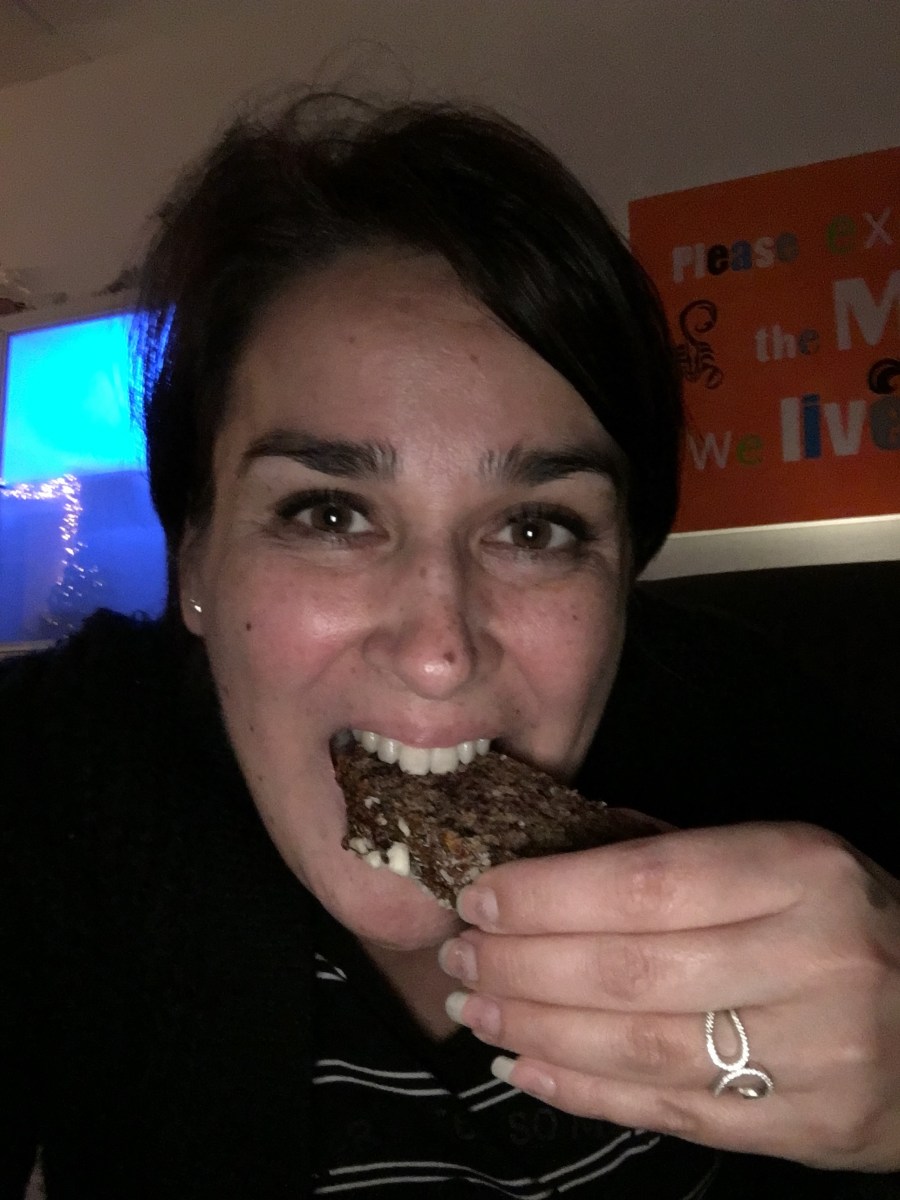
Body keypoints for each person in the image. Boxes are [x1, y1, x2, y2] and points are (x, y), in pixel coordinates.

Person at [1, 93, 898, 1200]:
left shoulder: (774, 752)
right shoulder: (54, 783)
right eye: (330, 513)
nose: (438, 649)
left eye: (536, 529)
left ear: (625, 573)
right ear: (194, 558)